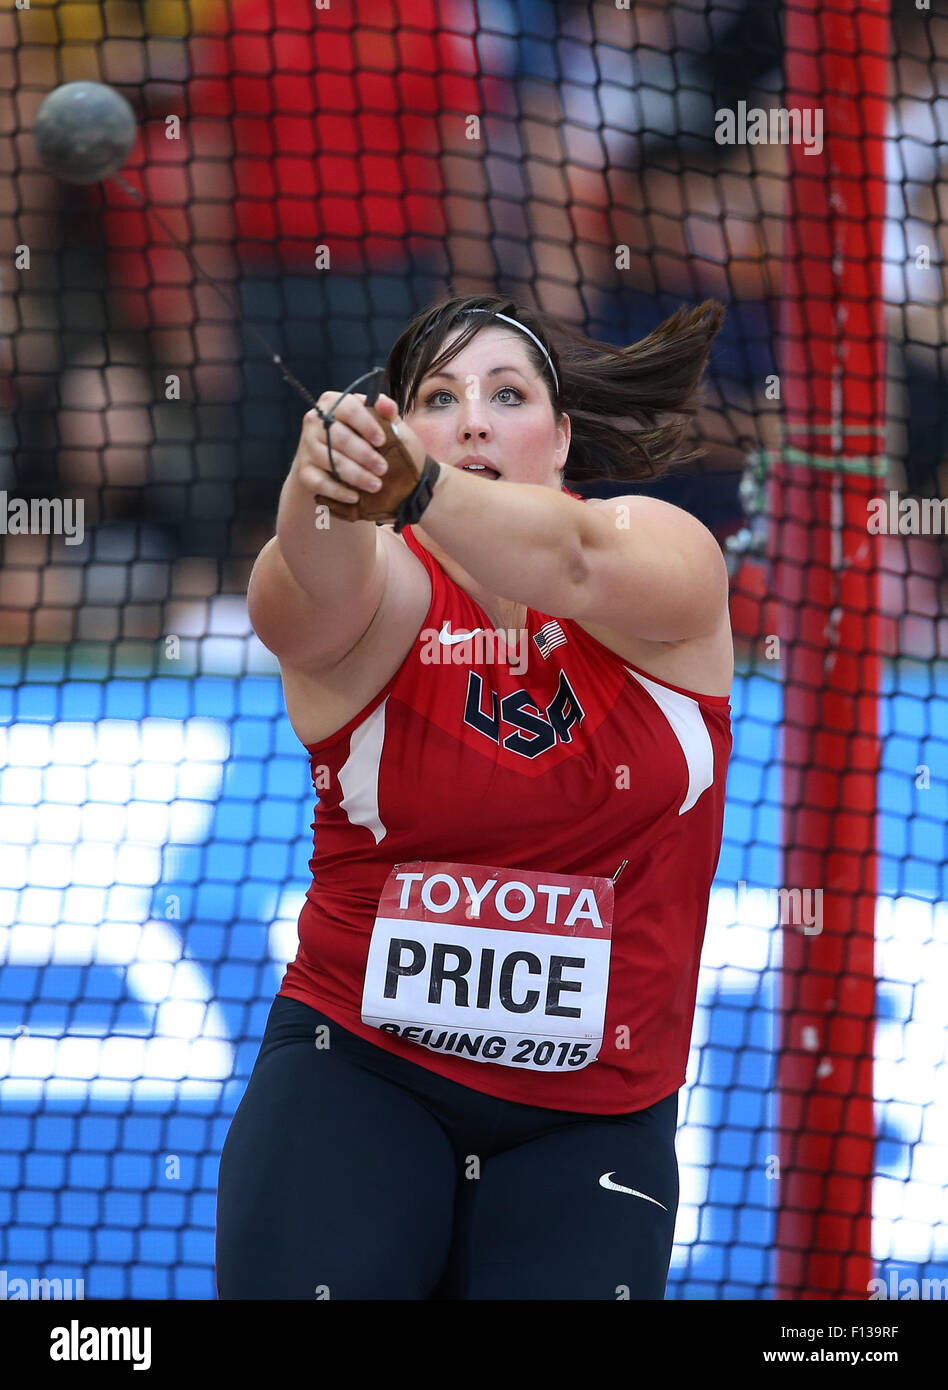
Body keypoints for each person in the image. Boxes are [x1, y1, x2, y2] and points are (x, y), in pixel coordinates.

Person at [215, 293, 734, 1300]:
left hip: (595, 1116)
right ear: (399, 434)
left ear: (564, 434)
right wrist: (319, 487)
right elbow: (304, 587)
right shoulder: (383, 590)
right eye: (440, 399)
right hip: (359, 1072)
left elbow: (574, 561)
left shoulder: (659, 552)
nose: (475, 419)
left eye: (507, 393)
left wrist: (423, 488)